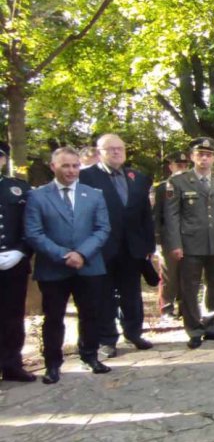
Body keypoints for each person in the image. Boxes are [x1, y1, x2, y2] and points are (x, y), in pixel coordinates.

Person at [24, 147, 112, 383]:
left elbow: (102, 229)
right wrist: (64, 255)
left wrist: (82, 254)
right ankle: (52, 364)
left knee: (91, 314)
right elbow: (33, 233)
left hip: (89, 265)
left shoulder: (94, 194)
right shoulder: (38, 196)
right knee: (54, 317)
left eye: (75, 165)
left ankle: (90, 355)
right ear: (53, 167)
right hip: (53, 268)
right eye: (65, 165)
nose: (71, 170)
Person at [79, 133, 156, 357]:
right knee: (103, 295)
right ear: (99, 152)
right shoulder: (86, 177)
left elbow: (144, 215)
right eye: (110, 149)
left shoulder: (137, 177)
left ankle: (133, 333)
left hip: (132, 248)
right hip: (100, 247)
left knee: (131, 294)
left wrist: (149, 245)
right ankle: (107, 339)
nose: (116, 152)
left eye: (120, 148)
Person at [164, 137, 214, 349]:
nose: (204, 158)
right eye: (200, 154)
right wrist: (175, 244)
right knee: (189, 288)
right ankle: (194, 329)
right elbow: (172, 217)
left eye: (208, 155)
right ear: (192, 157)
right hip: (189, 245)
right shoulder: (178, 182)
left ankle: (212, 324)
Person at [0, 142, 36, 383]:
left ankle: (12, 364)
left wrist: (22, 251)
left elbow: (32, 225)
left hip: (13, 263)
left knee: (12, 316)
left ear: (4, 160)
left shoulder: (18, 188)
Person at [155, 151, 190, 324]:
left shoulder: (193, 184)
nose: (182, 169)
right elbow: (157, 216)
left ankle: (185, 307)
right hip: (169, 240)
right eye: (179, 165)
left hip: (189, 238)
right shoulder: (163, 187)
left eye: (185, 165)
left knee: (188, 275)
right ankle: (167, 309)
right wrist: (158, 241)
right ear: (171, 167)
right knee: (169, 276)